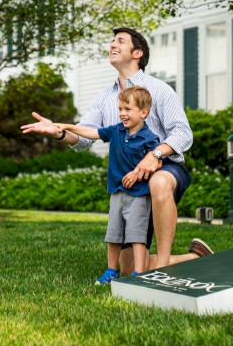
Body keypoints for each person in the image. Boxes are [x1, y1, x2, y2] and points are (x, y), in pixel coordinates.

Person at [21, 27, 213, 275]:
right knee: (128, 269)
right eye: (112, 41)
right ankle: (194, 257)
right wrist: (58, 132)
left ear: (137, 53)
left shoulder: (160, 90)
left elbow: (183, 134)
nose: (112, 44)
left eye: (120, 41)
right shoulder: (104, 98)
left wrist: (153, 155)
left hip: (165, 167)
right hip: (129, 182)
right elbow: (83, 140)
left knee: (159, 181)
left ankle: (163, 266)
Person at [56, 86, 159, 284]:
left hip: (139, 194)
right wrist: (66, 126)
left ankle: (138, 273)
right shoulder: (116, 131)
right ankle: (111, 271)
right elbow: (92, 132)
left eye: (127, 109)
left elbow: (156, 161)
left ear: (143, 112)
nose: (122, 113)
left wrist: (136, 174)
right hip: (117, 192)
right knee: (114, 234)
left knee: (137, 235)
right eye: (120, 109)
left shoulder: (150, 138)